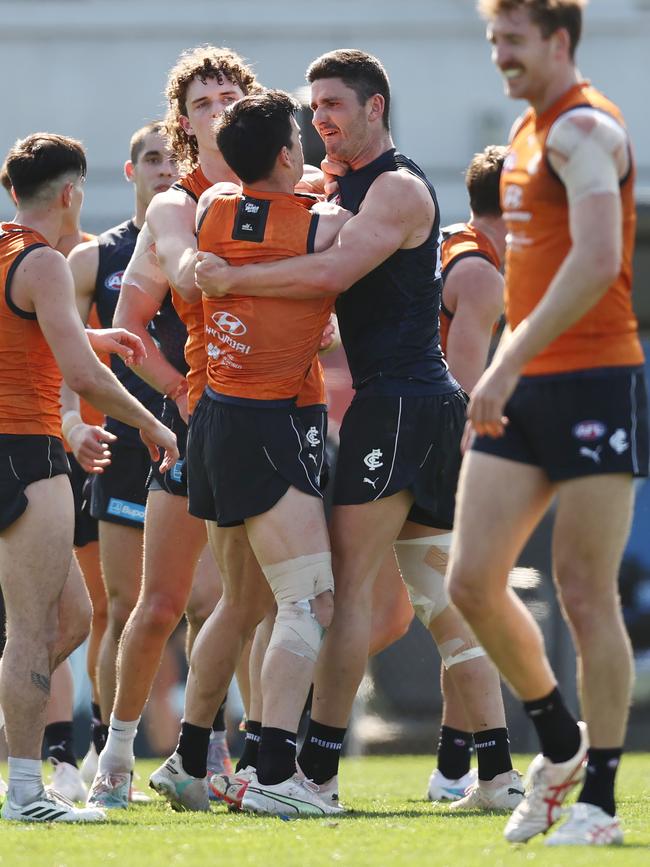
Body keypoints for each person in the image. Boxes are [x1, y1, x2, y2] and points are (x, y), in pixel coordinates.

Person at [194, 49, 507, 814]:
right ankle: (498, 775)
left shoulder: (395, 187)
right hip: (413, 404)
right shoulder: (334, 187)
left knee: (341, 591)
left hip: (400, 404)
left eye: (334, 103)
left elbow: (330, 275)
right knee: (438, 593)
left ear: (376, 108)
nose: (320, 117)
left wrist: (232, 278)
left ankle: (317, 775)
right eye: (314, 106)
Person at [446, 0, 648, 846]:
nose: (500, 55)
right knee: (470, 581)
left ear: (559, 41)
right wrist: (513, 365)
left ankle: (599, 796)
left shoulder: (585, 130)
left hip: (595, 379)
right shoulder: (529, 132)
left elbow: (602, 260)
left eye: (514, 41)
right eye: (493, 40)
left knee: (583, 592)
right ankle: (560, 744)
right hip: (525, 383)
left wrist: (505, 357)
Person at [86, 45, 262, 811]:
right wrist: (179, 394)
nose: (217, 109)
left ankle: (225, 754)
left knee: (257, 601)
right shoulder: (175, 203)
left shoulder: (293, 189)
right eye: (201, 101)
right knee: (155, 605)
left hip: (277, 423)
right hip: (196, 426)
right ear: (183, 120)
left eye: (230, 95)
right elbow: (129, 327)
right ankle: (115, 755)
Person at [0, 132, 177, 822]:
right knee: (32, 627)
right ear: (71, 192)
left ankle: (23, 774)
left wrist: (89, 333)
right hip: (28, 452)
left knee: (70, 618)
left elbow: (34, 334)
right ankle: (23, 792)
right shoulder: (45, 263)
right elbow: (81, 378)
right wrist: (155, 425)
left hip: (13, 446)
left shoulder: (10, 250)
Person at [190, 89, 350, 816]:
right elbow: (333, 243)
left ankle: (199, 755)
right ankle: (276, 774)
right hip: (270, 424)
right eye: (299, 136)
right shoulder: (324, 226)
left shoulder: (210, 207)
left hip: (218, 420)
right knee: (308, 599)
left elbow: (241, 193)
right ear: (289, 152)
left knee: (241, 601)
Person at [63, 122, 177, 786]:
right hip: (124, 448)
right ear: (132, 172)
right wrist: (74, 423)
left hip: (196, 435)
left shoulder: (198, 236)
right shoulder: (93, 260)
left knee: (206, 602)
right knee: (117, 601)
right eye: (152, 158)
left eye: (173, 156)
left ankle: (206, 747)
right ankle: (112, 749)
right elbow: (61, 359)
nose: (165, 167)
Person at [420, 144, 513, 805]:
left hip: (408, 442)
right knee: (455, 610)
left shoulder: (458, 244)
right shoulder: (480, 271)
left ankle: (453, 767)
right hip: (442, 456)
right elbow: (465, 387)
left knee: (451, 612)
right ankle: (280, 751)